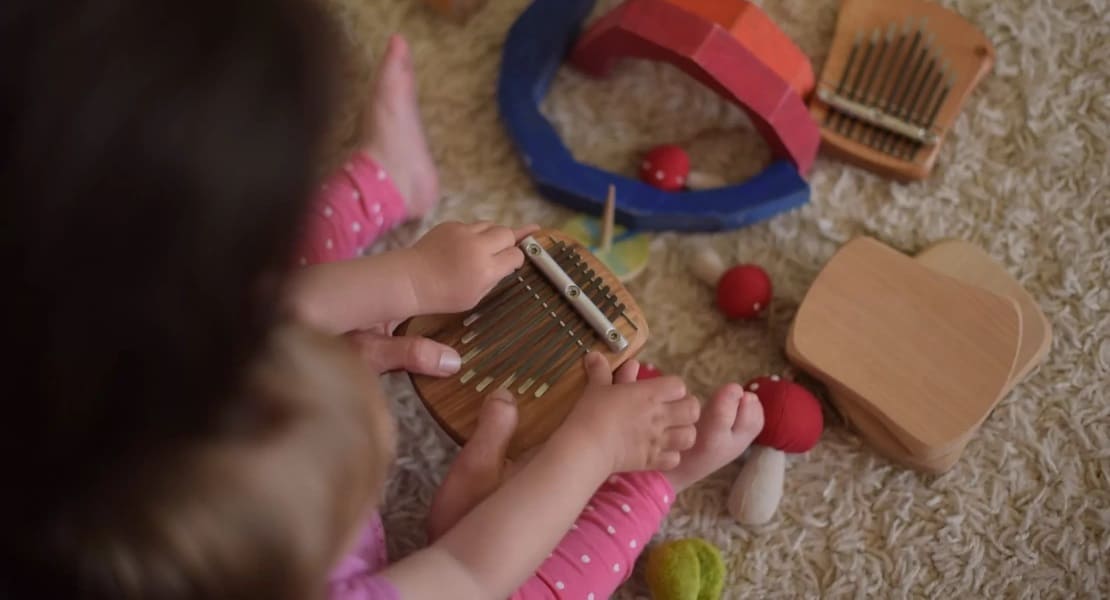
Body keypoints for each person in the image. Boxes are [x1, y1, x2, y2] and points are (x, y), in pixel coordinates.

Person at [0, 1, 764, 599]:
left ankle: (388, 177)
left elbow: (238, 310)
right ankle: (656, 478)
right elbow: (468, 576)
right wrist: (596, 449)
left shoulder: (67, 355)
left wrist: (407, 281)